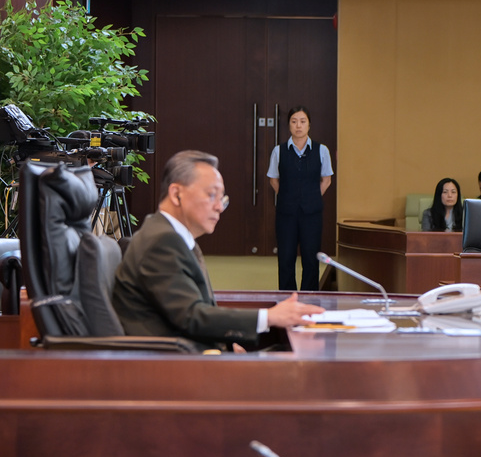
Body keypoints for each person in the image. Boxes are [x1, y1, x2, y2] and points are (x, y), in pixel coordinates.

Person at [113, 150, 324, 351]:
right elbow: (191, 316)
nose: (219, 207)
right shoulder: (161, 241)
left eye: (222, 199)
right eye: (211, 195)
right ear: (176, 194)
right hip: (171, 364)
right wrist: (269, 317)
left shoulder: (173, 236)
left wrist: (227, 344)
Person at [268, 106, 332, 292]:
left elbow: (326, 180)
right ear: (289, 125)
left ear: (309, 125)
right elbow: (273, 179)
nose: (298, 126)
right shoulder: (279, 151)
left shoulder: (321, 150)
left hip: (312, 213)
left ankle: (309, 296)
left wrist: (312, 197)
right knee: (286, 258)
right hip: (286, 213)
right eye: (294, 121)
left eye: (302, 121)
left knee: (311, 258)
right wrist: (288, 195)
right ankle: (287, 297)